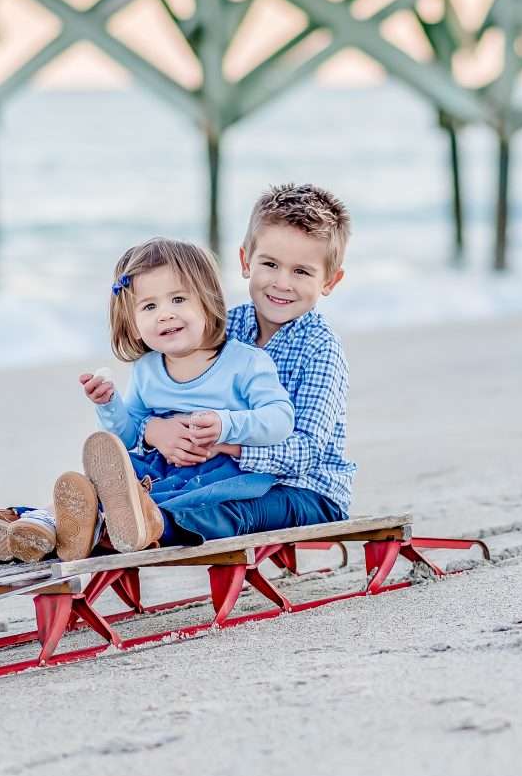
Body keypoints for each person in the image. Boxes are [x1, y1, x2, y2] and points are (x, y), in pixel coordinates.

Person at [0, 238, 294, 561]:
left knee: (150, 496)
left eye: (178, 299)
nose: (166, 314)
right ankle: (28, 526)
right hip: (157, 468)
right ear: (131, 319)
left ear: (208, 300)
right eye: (149, 306)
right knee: (112, 472)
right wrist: (109, 406)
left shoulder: (245, 362)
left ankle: (48, 526)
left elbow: (280, 419)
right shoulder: (148, 369)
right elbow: (129, 436)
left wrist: (227, 424)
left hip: (221, 473)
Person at [131, 183, 356, 542]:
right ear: (245, 261)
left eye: (301, 272)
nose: (282, 283)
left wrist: (227, 444)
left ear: (329, 281)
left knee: (225, 509)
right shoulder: (222, 328)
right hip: (221, 474)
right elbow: (167, 391)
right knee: (144, 476)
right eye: (270, 264)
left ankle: (151, 526)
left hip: (306, 490)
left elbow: (308, 451)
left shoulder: (320, 349)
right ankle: (51, 522)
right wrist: (154, 431)